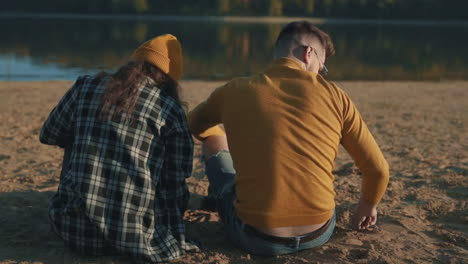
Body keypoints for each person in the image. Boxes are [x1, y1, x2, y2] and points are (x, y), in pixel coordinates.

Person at [188, 21, 390, 256]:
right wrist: (367, 205)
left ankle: (219, 195)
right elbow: (378, 170)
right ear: (308, 53)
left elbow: (193, 125)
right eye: (321, 67)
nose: (319, 74)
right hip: (318, 233)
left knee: (214, 138)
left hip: (254, 236)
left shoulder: (234, 90)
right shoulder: (336, 96)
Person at [39, 34, 199, 262]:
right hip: (137, 236)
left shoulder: (85, 86)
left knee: (76, 133)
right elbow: (177, 177)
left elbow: (49, 134)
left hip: (74, 229)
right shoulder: (170, 110)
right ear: (170, 79)